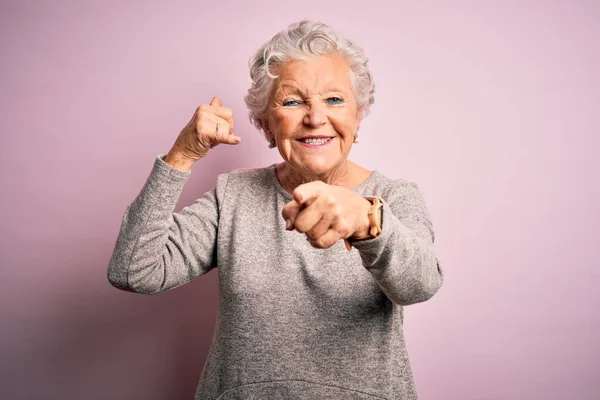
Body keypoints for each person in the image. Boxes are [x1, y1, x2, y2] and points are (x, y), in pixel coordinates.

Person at [108, 19, 443, 400]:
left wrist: (369, 221)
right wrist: (182, 155)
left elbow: (419, 285)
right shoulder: (233, 194)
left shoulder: (393, 196)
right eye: (293, 101)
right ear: (267, 126)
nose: (316, 118)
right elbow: (134, 270)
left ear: (357, 117)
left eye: (334, 99)